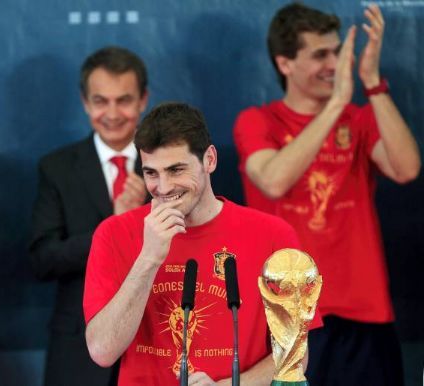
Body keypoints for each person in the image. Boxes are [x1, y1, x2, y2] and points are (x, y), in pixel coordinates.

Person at [233, 3, 420, 385]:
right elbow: (273, 180)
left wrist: (372, 83)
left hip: (363, 315)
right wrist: (336, 103)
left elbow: (407, 169)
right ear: (285, 63)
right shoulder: (258, 121)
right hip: (286, 316)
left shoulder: (361, 119)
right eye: (321, 54)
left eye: (337, 52)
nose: (335, 64)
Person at [83, 102, 316, 385]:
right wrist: (148, 259)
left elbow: (295, 355)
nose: (164, 187)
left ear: (210, 159)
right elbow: (102, 351)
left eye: (176, 170)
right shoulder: (114, 233)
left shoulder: (274, 235)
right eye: (151, 173)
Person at [28, 46, 149, 386]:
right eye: (100, 101)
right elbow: (42, 259)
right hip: (78, 348)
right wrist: (111, 227)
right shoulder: (57, 168)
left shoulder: (168, 165)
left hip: (155, 338)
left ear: (143, 100)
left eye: (123, 100)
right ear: (85, 102)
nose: (112, 113)